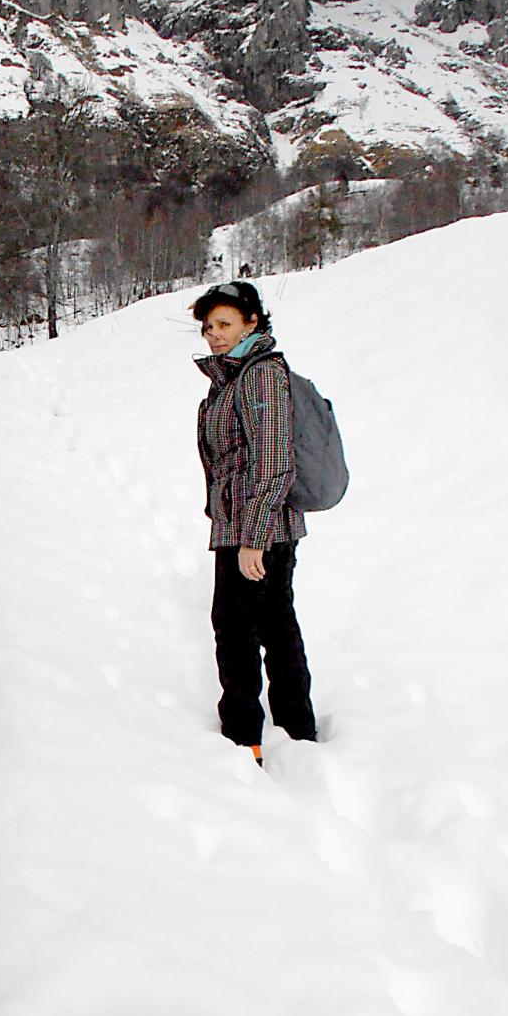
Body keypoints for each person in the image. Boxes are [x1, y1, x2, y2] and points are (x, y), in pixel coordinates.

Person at [192, 280, 317, 764]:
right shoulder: (233, 377)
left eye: (224, 324)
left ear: (252, 323)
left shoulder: (261, 376)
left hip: (256, 531)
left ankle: (246, 739)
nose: (214, 335)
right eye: (207, 327)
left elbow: (272, 461)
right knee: (272, 623)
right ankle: (295, 730)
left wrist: (254, 540)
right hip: (243, 525)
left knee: (237, 628)